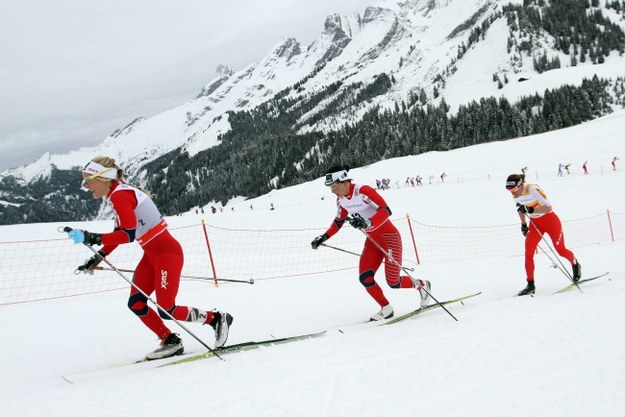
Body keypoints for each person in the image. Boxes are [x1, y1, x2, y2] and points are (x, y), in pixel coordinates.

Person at [66, 156, 233, 360]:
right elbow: (119, 233)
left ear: (104, 177)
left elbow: (127, 234)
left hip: (166, 254)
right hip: (151, 255)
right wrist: (98, 256)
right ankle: (169, 340)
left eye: (88, 180)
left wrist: (90, 236)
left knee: (166, 309)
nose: (86, 186)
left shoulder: (120, 195)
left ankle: (216, 319)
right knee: (136, 303)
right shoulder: (118, 194)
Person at [311, 165, 431, 321]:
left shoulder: (362, 191)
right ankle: (386, 308)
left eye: (334, 186)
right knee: (365, 277)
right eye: (330, 187)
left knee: (393, 282)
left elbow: (386, 210)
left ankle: (422, 285)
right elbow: (338, 222)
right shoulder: (341, 200)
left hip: (390, 239)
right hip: (372, 242)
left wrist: (367, 222)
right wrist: (323, 237)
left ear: (344, 181)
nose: (332, 190)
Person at [505, 173, 581, 296]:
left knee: (560, 250)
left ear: (520, 185)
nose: (512, 192)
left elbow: (548, 208)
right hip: (535, 224)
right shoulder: (515, 195)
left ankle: (575, 264)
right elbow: (520, 208)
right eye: (508, 189)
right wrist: (523, 224)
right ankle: (530, 285)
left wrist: (530, 210)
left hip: (550, 221)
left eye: (513, 189)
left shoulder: (532, 189)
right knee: (528, 252)